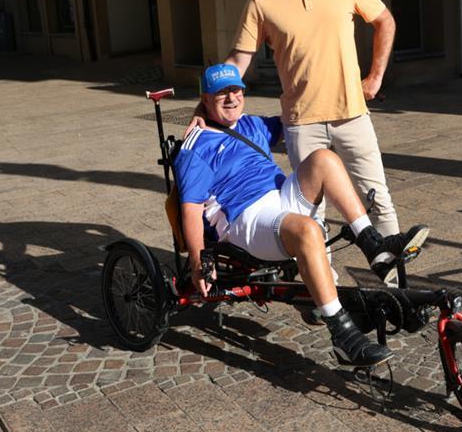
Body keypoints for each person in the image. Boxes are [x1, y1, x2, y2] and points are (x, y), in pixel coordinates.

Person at [191, 0, 403, 271]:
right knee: (311, 212)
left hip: (352, 114)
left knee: (378, 198)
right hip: (301, 123)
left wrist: (375, 77)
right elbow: (238, 61)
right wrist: (205, 106)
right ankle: (323, 287)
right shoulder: (261, 0)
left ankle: (396, 282)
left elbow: (385, 21)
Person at [175, 64, 429, 366]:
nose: (231, 98)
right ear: (205, 98)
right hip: (246, 218)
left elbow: (301, 117)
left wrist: (348, 93)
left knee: (324, 158)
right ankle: (342, 335)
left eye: (236, 90)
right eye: (221, 93)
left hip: (281, 198)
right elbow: (190, 208)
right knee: (307, 230)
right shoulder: (196, 145)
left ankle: (373, 243)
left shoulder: (250, 125)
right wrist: (197, 260)